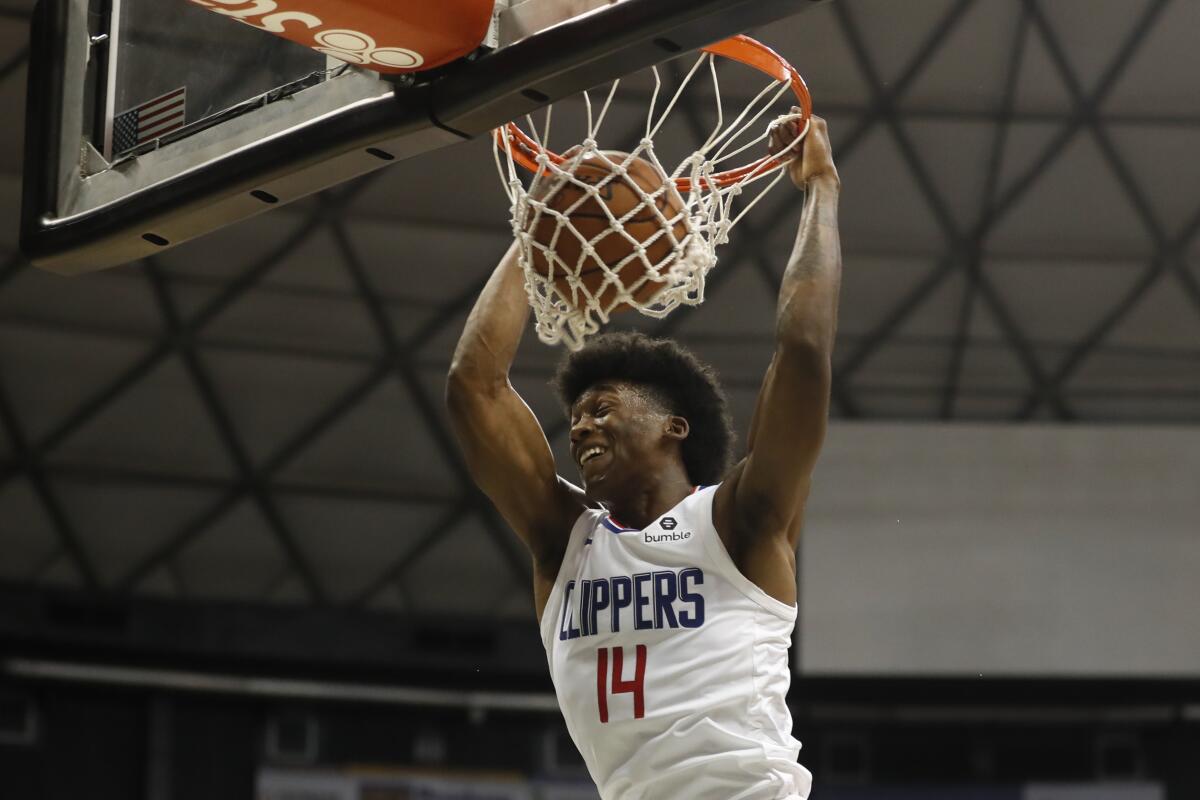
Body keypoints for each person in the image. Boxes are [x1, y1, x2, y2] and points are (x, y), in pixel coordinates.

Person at [446, 112, 841, 800]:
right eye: (574, 418)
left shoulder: (737, 525)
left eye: (603, 408)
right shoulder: (564, 540)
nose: (581, 428)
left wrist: (820, 190)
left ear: (674, 428)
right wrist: (540, 232)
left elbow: (803, 352)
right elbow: (472, 388)